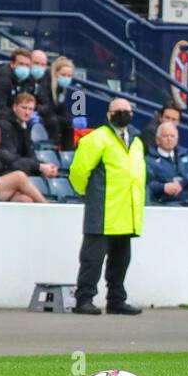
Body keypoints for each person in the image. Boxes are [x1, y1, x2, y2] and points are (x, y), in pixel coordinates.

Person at [68, 98, 147, 316]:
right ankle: (84, 299)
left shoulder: (137, 140)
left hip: (126, 210)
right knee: (92, 258)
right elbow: (78, 172)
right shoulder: (96, 139)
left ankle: (116, 300)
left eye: (127, 111)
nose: (123, 114)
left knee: (121, 260)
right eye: (118, 110)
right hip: (103, 208)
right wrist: (89, 193)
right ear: (108, 114)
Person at [146, 121, 188, 205]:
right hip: (167, 203)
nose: (169, 139)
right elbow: (147, 184)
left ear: (177, 140)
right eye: (165, 136)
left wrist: (183, 182)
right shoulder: (148, 160)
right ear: (157, 140)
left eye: (172, 136)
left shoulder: (187, 156)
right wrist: (163, 187)